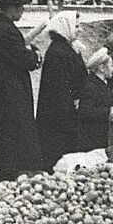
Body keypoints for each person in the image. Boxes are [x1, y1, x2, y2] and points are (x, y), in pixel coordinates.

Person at [0, 0, 47, 183]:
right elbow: (24, 60)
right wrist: (35, 55)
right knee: (14, 137)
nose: (23, 11)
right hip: (10, 92)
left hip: (5, 89)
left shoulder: (0, 25)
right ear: (12, 7)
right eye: (21, 6)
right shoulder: (6, 30)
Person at [36, 11, 87, 167]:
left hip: (65, 113)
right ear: (66, 26)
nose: (80, 30)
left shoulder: (66, 48)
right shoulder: (58, 52)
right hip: (60, 116)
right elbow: (60, 89)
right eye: (76, 26)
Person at [76, 49, 113, 152]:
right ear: (102, 68)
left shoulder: (102, 83)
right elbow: (86, 111)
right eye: (111, 66)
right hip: (91, 139)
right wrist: (109, 111)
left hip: (99, 135)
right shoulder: (91, 86)